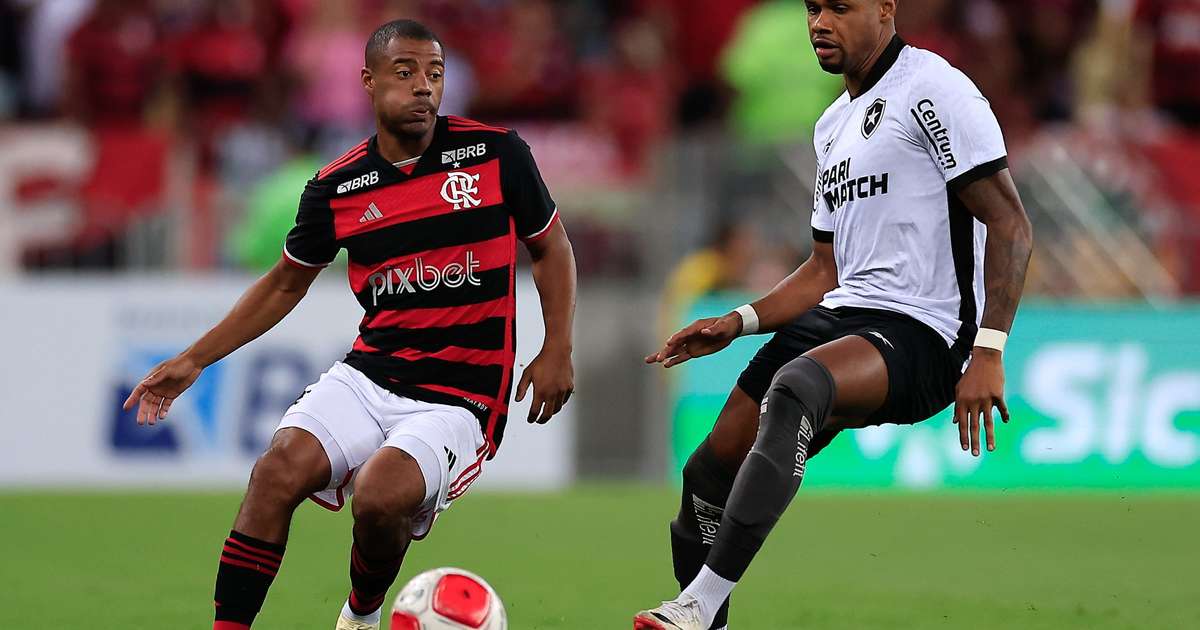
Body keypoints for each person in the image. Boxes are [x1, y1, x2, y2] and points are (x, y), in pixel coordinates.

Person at [122, 19, 577, 630]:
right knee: (276, 470)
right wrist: (194, 359)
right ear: (368, 81)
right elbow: (285, 283)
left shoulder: (497, 155)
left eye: (435, 74)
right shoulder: (337, 186)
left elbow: (551, 248)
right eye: (406, 72)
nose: (424, 87)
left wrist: (557, 348)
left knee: (381, 495)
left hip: (461, 394)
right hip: (371, 374)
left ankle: (360, 616)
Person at [634, 1, 1033, 628]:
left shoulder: (934, 88)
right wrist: (736, 320)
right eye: (813, 8)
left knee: (797, 387)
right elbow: (825, 270)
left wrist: (988, 350)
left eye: (840, 7)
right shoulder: (832, 126)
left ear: (884, 9)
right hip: (843, 316)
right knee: (707, 472)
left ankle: (698, 602)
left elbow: (1010, 222)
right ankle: (705, 620)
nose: (820, 22)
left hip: (926, 332)